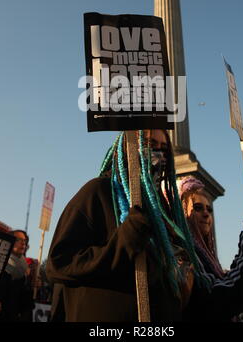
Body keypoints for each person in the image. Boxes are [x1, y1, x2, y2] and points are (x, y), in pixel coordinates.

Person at [46, 130, 207, 322]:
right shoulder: (98, 192)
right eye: (148, 144)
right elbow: (60, 264)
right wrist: (128, 237)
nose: (157, 154)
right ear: (125, 150)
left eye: (164, 149)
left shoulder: (161, 213)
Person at [163, 174, 243, 322]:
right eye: (198, 208)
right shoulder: (183, 254)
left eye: (209, 209)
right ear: (182, 212)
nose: (206, 214)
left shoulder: (208, 259)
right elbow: (221, 299)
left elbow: (237, 299)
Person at [1, 230, 34, 321]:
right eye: (18, 240)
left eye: (24, 240)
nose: (23, 243)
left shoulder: (25, 267)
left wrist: (31, 283)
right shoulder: (0, 265)